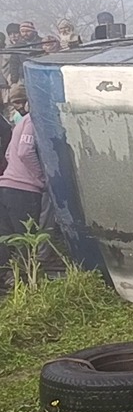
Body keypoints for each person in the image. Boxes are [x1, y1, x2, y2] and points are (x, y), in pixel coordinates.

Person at [0, 85, 45, 289]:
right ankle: (27, 283)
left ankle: (7, 280)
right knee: (26, 240)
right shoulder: (34, 121)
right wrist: (41, 177)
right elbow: (25, 151)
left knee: (5, 239)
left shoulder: (19, 124)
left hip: (5, 187)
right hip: (24, 191)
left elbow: (9, 154)